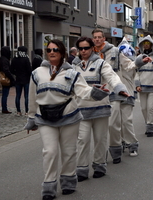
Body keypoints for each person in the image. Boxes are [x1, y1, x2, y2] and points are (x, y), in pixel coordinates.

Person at [24, 39, 109, 200]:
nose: (52, 52)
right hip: (45, 118)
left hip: (69, 116)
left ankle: (68, 181)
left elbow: (83, 91)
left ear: (62, 53)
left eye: (55, 49)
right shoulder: (37, 73)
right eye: (49, 50)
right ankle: (49, 185)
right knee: (50, 151)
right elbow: (32, 97)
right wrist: (31, 117)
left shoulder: (72, 73)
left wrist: (96, 92)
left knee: (69, 152)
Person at [72, 36, 128, 180]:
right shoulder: (74, 66)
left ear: (92, 48)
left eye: (86, 48)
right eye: (80, 48)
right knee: (82, 140)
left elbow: (111, 77)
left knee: (100, 139)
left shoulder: (101, 63)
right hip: (82, 109)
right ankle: (82, 169)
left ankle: (99, 165)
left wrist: (119, 88)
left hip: (100, 108)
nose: (83, 51)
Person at [91, 29, 138, 164]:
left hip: (116, 90)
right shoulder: (91, 53)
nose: (97, 39)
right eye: (95, 37)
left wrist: (139, 62)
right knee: (109, 125)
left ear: (104, 38)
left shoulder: (116, 52)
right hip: (100, 93)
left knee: (119, 122)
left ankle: (126, 146)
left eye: (100, 37)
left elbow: (128, 64)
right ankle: (116, 147)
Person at [10, 46, 32, 116]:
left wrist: (16, 73)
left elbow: (11, 70)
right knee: (26, 96)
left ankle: (18, 111)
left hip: (18, 79)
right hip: (26, 79)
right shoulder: (26, 59)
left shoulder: (14, 59)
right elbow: (29, 70)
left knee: (18, 96)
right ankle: (26, 111)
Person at [0, 46, 16, 114]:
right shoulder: (5, 59)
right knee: (5, 94)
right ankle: (4, 108)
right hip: (5, 78)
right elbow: (6, 70)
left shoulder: (1, 58)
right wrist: (12, 77)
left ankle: (4, 107)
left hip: (3, 77)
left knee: (4, 94)